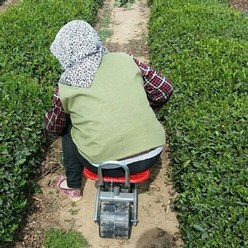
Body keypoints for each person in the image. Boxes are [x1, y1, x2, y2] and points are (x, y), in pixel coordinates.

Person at [44, 20, 173, 201]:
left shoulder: (66, 84)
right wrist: (146, 107)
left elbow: (54, 127)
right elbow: (164, 89)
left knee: (67, 125)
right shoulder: (126, 60)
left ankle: (73, 186)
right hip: (150, 154)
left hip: (101, 164)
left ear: (65, 51)